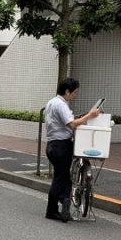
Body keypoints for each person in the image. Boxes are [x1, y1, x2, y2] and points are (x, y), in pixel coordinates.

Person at [45, 78, 101, 222]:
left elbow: (66, 121)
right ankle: (53, 210)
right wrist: (89, 116)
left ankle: (64, 201)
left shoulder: (52, 102)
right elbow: (71, 124)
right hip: (61, 146)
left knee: (63, 177)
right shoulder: (61, 105)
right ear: (67, 91)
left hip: (52, 145)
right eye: (74, 92)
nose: (75, 95)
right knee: (60, 179)